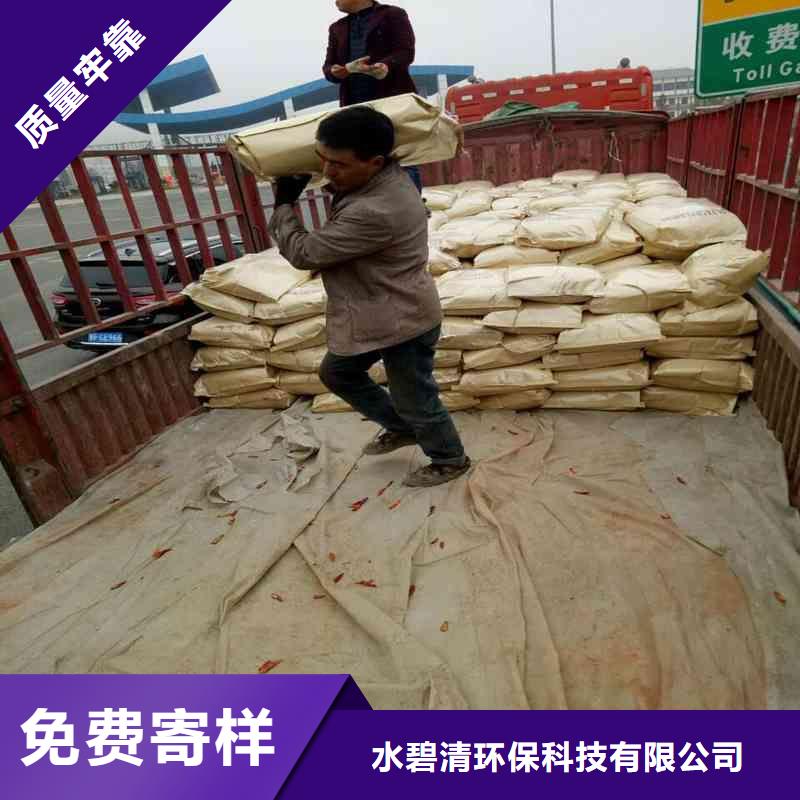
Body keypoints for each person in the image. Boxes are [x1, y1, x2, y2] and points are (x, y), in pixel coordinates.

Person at [268, 106, 471, 488]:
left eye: (338, 164)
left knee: (415, 397)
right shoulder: (383, 176)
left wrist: (283, 205)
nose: (327, 172)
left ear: (375, 161)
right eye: (323, 159)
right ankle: (401, 426)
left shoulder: (375, 210)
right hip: (377, 308)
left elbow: (304, 253)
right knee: (338, 373)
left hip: (404, 319)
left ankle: (449, 458)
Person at [322, 0, 423, 192]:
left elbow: (405, 52)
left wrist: (386, 65)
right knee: (364, 161)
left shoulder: (393, 14)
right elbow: (328, 68)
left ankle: (412, 204)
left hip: (392, 101)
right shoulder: (337, 28)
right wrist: (338, 71)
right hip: (355, 108)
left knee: (401, 157)